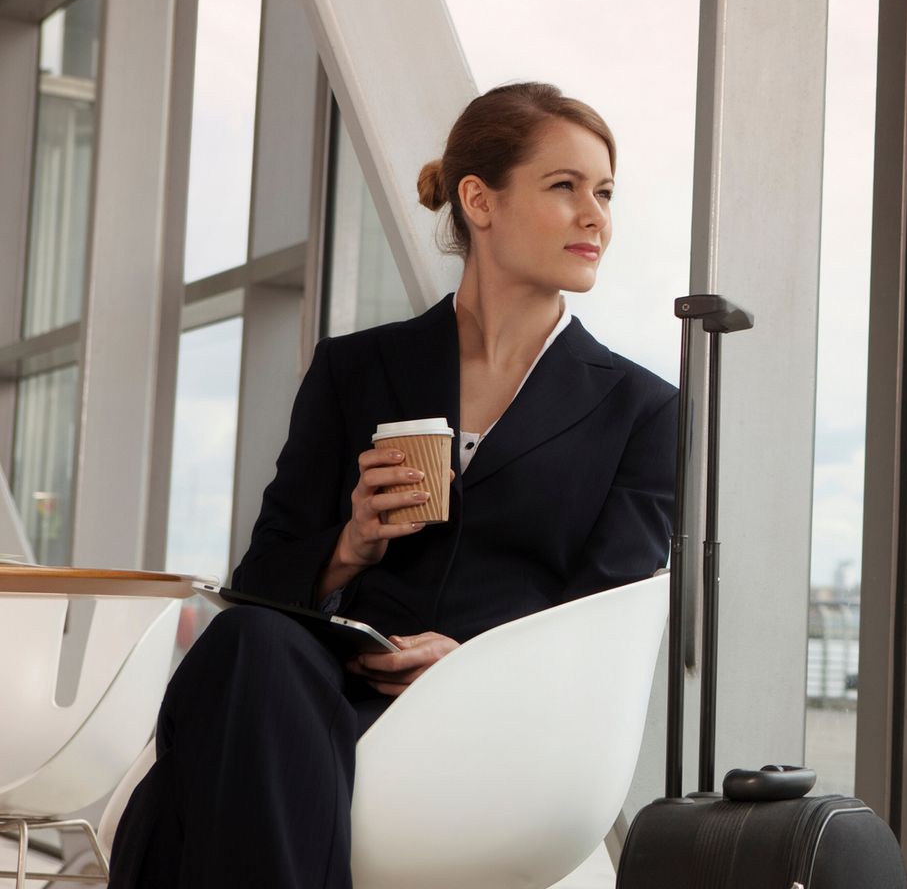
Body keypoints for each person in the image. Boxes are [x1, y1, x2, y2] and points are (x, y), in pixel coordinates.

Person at [107, 82, 677, 888]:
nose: (596, 216)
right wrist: (349, 544)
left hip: (497, 717)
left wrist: (472, 660)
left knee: (206, 756)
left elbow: (598, 621)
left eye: (606, 193)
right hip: (328, 690)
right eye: (565, 186)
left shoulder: (640, 410)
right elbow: (262, 583)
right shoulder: (358, 369)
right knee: (248, 643)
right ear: (480, 200)